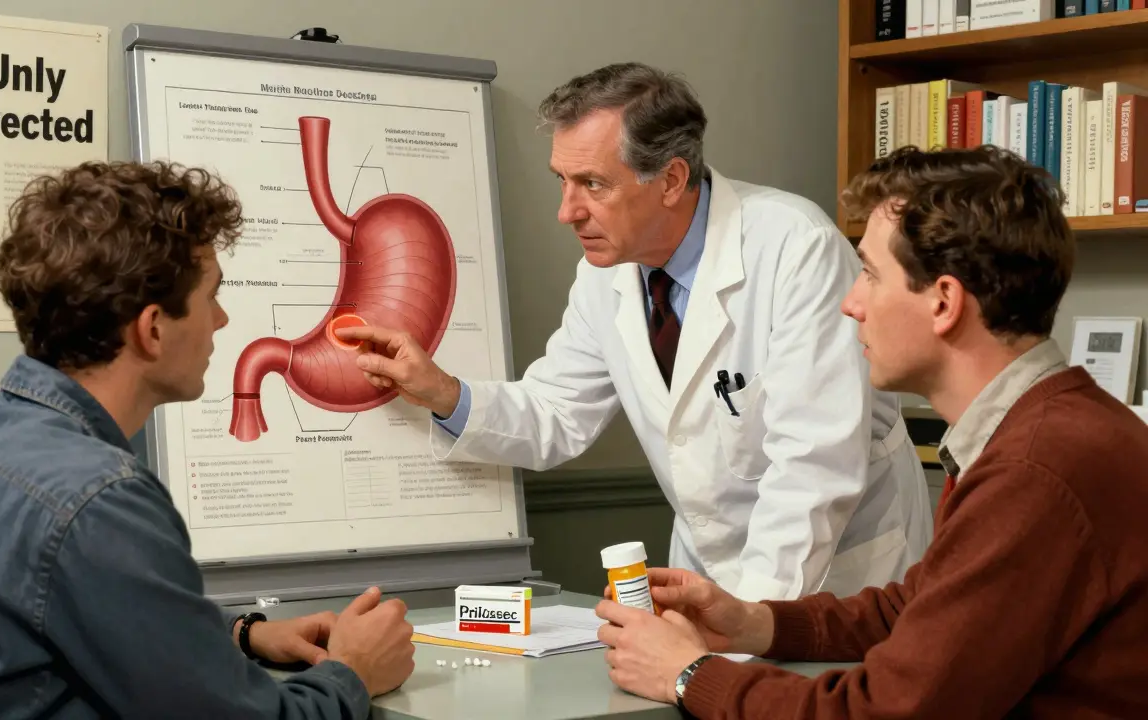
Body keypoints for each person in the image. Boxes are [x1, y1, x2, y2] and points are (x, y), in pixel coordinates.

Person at [336, 62, 932, 602]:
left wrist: (751, 619)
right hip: (711, 577)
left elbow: (813, 469)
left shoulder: (794, 247)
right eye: (562, 181)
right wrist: (441, 391)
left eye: (592, 184)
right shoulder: (607, 275)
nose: (567, 211)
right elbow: (559, 410)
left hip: (837, 579)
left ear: (671, 180)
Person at [592, 144, 1148, 717]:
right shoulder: (1051, 429)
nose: (851, 304)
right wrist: (754, 622)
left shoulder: (1036, 471)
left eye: (870, 275)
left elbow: (887, 711)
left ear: (944, 303)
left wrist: (687, 676)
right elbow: (914, 607)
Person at [0, 161, 415, 718]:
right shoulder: (100, 499)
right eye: (212, 297)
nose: (222, 321)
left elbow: (57, 615)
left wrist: (239, 635)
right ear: (152, 329)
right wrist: (354, 672)